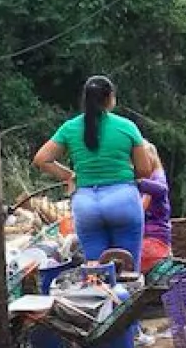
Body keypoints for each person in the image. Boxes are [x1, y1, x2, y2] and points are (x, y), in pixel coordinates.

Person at [34, 75, 155, 267]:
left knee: (95, 270)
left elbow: (42, 159)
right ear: (110, 98)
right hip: (122, 200)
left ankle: (99, 294)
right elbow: (145, 170)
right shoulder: (126, 127)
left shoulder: (70, 128)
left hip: (86, 204)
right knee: (128, 268)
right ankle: (127, 295)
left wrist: (69, 175)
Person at [137, 144, 171, 273]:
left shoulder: (157, 178)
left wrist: (136, 182)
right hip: (143, 237)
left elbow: (161, 189)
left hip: (155, 239)